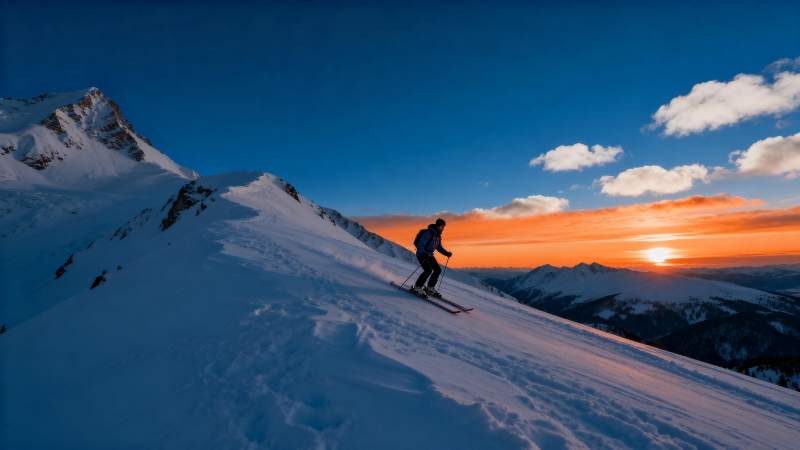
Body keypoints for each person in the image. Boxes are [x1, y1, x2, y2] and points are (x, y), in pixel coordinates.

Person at [411, 218, 453, 297]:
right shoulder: (428, 233)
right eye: (442, 227)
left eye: (443, 227)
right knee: (428, 270)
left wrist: (446, 253)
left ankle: (430, 287)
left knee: (437, 270)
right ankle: (417, 287)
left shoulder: (438, 236)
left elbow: (439, 247)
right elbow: (420, 244)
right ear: (437, 226)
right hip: (422, 254)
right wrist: (423, 253)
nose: (443, 228)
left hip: (429, 255)